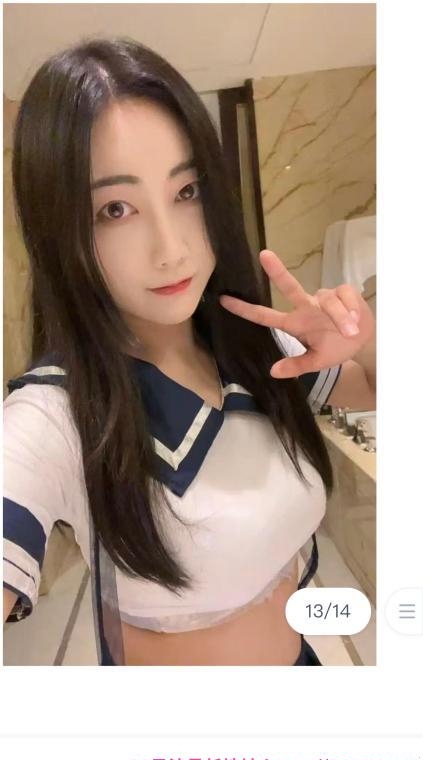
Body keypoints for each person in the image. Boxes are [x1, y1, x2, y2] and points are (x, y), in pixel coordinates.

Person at [3, 36, 376, 666]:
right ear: (60, 229)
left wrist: (365, 340)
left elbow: (372, 390)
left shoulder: (252, 343)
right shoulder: (55, 413)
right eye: (115, 209)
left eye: (187, 191)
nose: (171, 249)